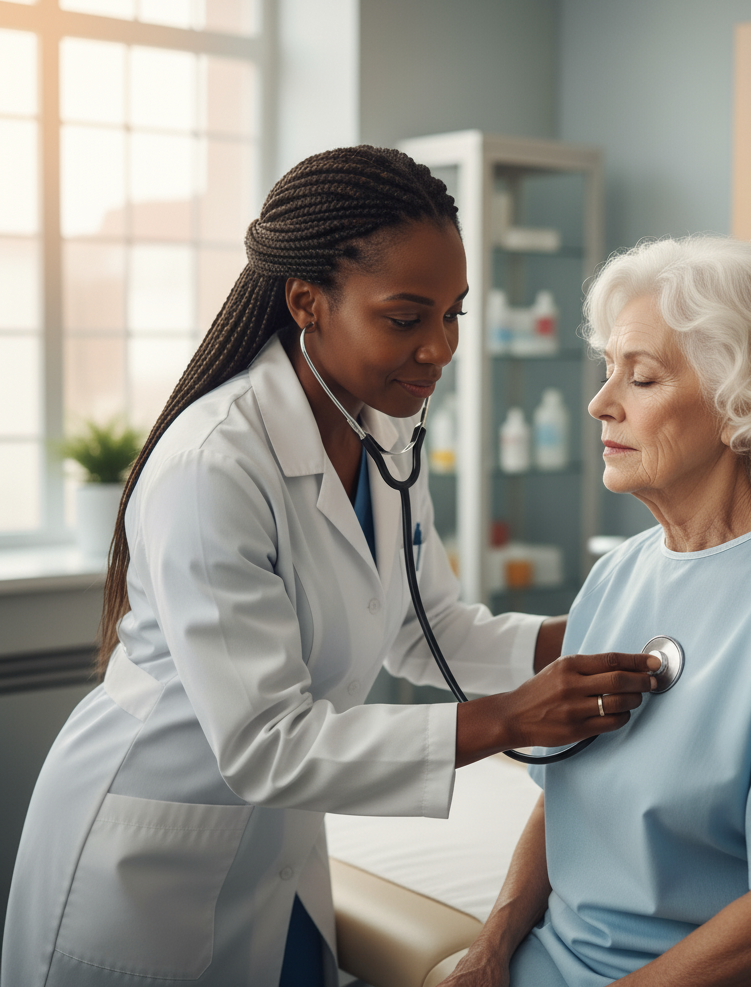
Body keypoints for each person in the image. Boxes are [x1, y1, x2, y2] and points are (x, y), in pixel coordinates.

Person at [1, 147, 659, 987]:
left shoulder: (383, 433)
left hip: (274, 849)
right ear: (307, 302)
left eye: (452, 314)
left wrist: (585, 639)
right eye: (406, 317)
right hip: (150, 857)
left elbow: (430, 628)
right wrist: (505, 720)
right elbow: (266, 743)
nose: (438, 350)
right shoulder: (215, 465)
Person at [439, 236, 751, 987]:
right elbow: (563, 801)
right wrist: (492, 946)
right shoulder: (616, 576)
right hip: (573, 958)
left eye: (642, 378)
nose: (601, 403)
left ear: (742, 407)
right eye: (608, 372)